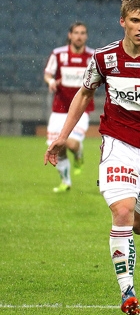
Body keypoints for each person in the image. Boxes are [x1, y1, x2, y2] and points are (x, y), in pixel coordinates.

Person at [44, 0, 140, 315]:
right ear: (122, 21)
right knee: (123, 212)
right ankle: (127, 290)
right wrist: (62, 137)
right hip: (118, 145)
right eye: (135, 21)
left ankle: (128, 266)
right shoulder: (104, 58)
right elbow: (84, 94)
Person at [43, 22, 95, 193]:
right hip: (59, 108)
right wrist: (51, 81)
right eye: (76, 33)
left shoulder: (93, 56)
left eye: (83, 33)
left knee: (71, 144)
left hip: (81, 108)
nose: (79, 36)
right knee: (56, 146)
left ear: (86, 36)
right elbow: (48, 73)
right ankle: (66, 182)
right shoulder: (58, 54)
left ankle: (79, 154)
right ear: (70, 35)